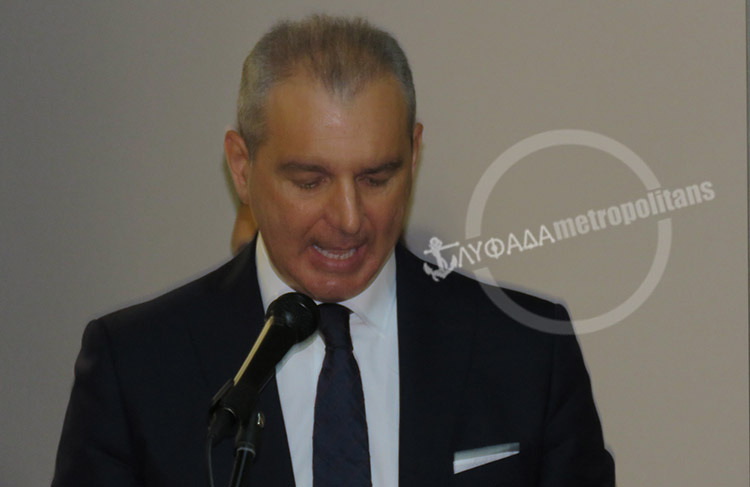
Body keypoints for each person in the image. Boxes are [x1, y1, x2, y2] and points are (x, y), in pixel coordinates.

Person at [53, 14, 615, 487]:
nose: (348, 218)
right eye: (310, 181)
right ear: (242, 167)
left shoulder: (526, 351)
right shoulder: (137, 366)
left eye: (376, 178)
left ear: (414, 154)